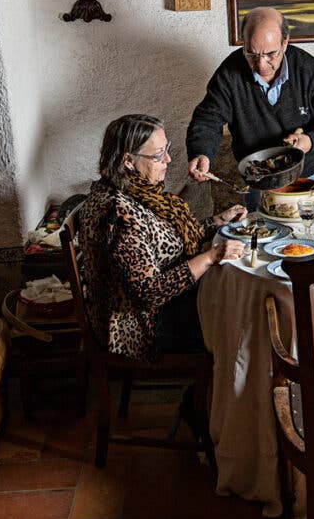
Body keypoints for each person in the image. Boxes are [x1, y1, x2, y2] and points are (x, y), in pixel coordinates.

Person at [78, 114, 246, 360]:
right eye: (158, 155)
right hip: (142, 326)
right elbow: (149, 292)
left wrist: (217, 221)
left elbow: (167, 241)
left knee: (233, 294)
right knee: (237, 317)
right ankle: (212, 393)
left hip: (163, 307)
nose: (167, 160)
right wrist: (210, 257)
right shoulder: (117, 212)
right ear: (128, 160)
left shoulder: (136, 191)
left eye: (166, 150)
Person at [187, 7, 314, 198]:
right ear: (244, 43)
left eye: (271, 54)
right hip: (258, 180)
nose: (261, 65)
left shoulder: (306, 67)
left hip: (310, 175)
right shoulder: (229, 73)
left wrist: (311, 140)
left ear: (285, 42)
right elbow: (208, 118)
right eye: (252, 54)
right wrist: (201, 152)